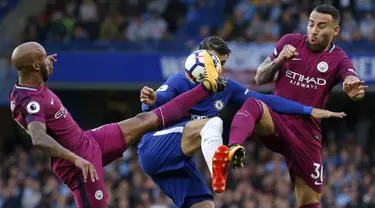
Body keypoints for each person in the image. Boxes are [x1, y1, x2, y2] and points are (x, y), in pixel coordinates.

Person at [138, 36, 345, 208]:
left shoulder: (226, 87)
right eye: (214, 61)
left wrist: (308, 110)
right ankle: (218, 166)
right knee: (213, 124)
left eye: (223, 63)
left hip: (180, 161)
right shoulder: (180, 81)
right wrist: (151, 100)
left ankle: (218, 167)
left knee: (204, 205)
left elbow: (265, 100)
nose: (218, 68)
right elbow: (155, 106)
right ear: (199, 58)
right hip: (154, 147)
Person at [8, 42, 221, 208]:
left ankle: (206, 87)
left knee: (143, 120)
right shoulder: (30, 102)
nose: (49, 60)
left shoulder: (29, 84)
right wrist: (76, 160)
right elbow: (38, 138)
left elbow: (38, 94)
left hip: (87, 140)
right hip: (77, 161)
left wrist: (44, 72)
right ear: (35, 66)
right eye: (44, 58)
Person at [217, 4, 367, 208]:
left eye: (321, 26)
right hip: (277, 119)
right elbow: (260, 77)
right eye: (311, 24)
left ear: (335, 30)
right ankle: (232, 149)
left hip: (306, 132)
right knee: (254, 103)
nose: (313, 30)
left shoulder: (339, 59)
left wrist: (353, 89)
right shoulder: (290, 42)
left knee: (310, 202)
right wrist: (278, 60)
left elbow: (351, 79)